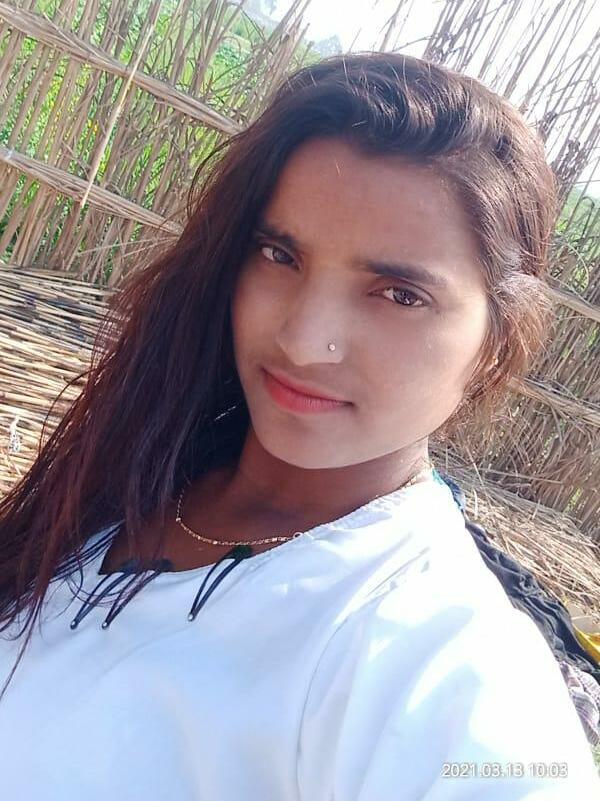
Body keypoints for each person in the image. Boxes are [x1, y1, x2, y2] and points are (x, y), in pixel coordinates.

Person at [0, 52, 598, 799]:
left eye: (399, 294)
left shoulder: (436, 657)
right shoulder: (145, 461)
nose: (304, 341)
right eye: (279, 254)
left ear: (495, 345)